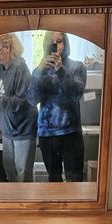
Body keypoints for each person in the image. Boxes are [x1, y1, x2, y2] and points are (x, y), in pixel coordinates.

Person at [27, 31, 86, 182]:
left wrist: (61, 71)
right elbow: (32, 99)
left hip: (71, 132)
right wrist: (39, 72)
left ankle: (75, 206)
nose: (56, 46)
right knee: (54, 179)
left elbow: (76, 94)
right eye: (51, 42)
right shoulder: (39, 70)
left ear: (65, 43)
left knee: (75, 178)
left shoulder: (77, 67)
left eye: (59, 41)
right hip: (48, 134)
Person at [0, 33, 37, 182]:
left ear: (8, 48)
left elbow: (24, 102)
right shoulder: (0, 68)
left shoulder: (20, 67)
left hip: (23, 129)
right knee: (10, 171)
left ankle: (25, 204)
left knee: (22, 174)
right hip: (7, 129)